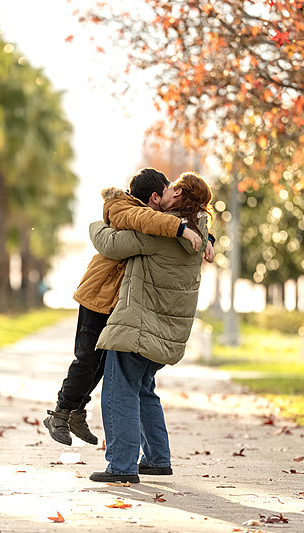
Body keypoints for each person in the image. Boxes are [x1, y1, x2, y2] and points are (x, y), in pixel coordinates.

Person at [43, 168, 213, 446]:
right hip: (98, 294)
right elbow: (140, 222)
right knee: (87, 359)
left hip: (117, 300)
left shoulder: (159, 220)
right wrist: (182, 230)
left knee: (99, 363)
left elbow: (189, 221)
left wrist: (208, 238)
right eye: (168, 189)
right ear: (155, 197)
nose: (172, 193)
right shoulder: (124, 207)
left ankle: (77, 412)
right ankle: (60, 414)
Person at [86, 172, 212, 483]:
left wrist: (96, 224)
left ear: (179, 195)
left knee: (119, 391)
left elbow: (111, 244)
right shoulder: (199, 234)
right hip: (168, 333)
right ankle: (157, 459)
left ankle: (121, 465)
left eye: (173, 188)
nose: (167, 192)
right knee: (143, 389)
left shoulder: (161, 232)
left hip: (139, 327)